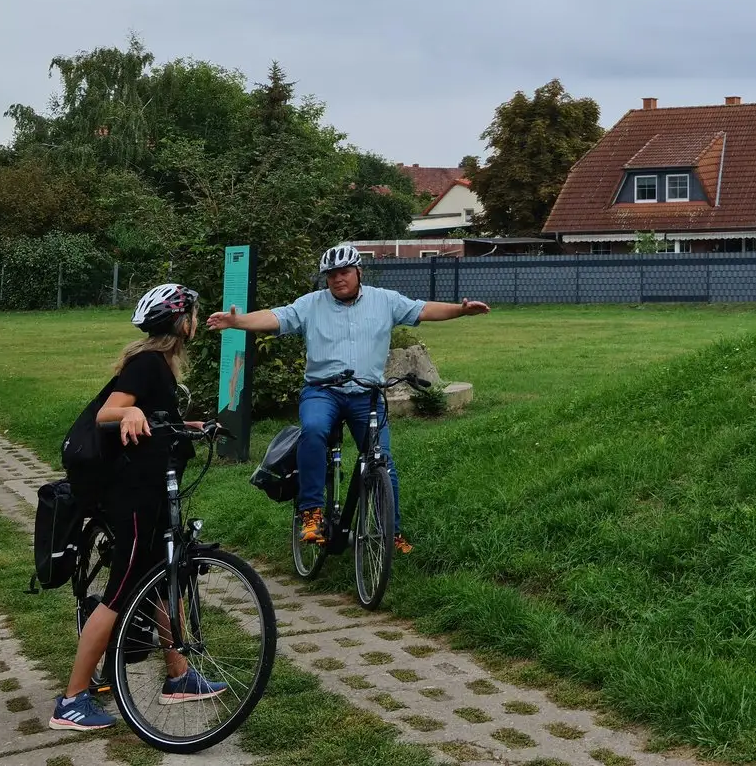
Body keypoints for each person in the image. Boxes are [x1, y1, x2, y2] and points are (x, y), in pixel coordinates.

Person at [206, 242, 487, 553]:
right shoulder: (312, 304)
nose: (338, 279)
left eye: (344, 272)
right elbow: (276, 317)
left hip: (366, 395)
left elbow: (423, 309)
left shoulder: (385, 301)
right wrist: (238, 322)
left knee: (382, 461)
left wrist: (461, 311)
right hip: (322, 391)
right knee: (313, 431)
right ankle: (311, 513)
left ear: (358, 272)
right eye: (331, 275)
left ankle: (390, 532)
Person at [50, 284, 226, 732]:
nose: (195, 322)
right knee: (123, 592)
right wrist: (126, 414)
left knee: (162, 578)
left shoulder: (161, 367)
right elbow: (111, 413)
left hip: (152, 492)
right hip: (131, 497)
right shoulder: (147, 363)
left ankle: (179, 676)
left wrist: (183, 425)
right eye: (193, 315)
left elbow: (151, 417)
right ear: (182, 322)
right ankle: (70, 701)